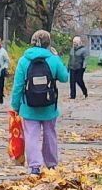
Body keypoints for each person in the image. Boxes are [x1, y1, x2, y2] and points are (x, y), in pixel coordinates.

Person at [10, 30, 70, 175]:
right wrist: (57, 58)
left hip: (29, 106)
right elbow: (64, 77)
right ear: (48, 43)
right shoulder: (53, 59)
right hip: (49, 106)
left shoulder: (24, 60)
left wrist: (15, 106)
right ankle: (51, 165)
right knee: (50, 134)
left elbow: (18, 86)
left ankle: (35, 166)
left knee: (31, 136)